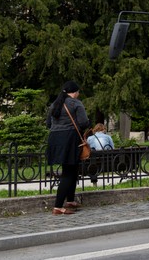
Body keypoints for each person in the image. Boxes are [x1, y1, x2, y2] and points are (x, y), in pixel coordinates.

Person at [45, 80, 90, 215]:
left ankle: (70, 200)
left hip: (55, 138)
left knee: (72, 168)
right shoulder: (76, 103)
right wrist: (89, 123)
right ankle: (58, 207)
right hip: (70, 138)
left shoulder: (54, 104)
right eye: (78, 91)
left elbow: (48, 124)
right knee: (68, 173)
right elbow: (83, 123)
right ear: (75, 92)